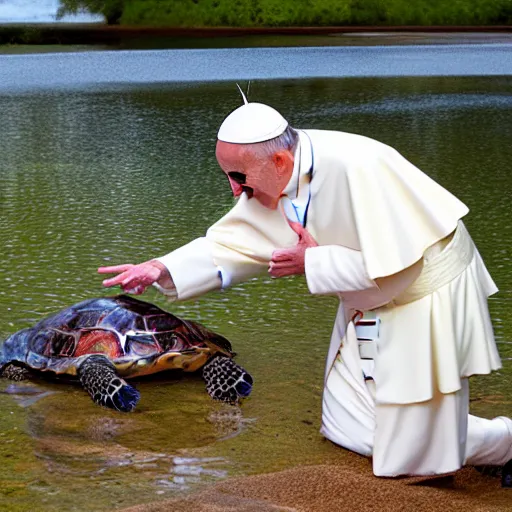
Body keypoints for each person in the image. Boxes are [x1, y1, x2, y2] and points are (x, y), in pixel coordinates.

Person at [99, 96, 512, 479]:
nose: (234, 190)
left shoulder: (361, 166)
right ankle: (440, 432)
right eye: (227, 176)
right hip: (368, 299)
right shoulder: (281, 175)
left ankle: (504, 443)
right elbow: (235, 242)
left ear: (279, 160)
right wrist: (159, 267)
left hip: (423, 297)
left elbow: (401, 267)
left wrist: (311, 262)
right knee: (346, 424)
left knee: (414, 458)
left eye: (238, 177)